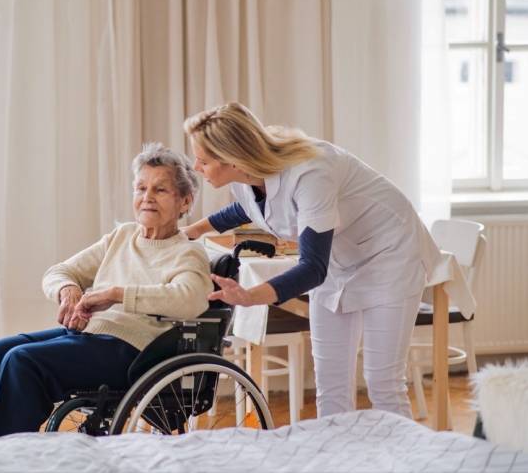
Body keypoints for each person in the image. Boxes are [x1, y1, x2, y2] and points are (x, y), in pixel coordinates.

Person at [182, 102, 442, 420]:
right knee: (330, 384)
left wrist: (251, 296)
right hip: (339, 257)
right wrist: (193, 230)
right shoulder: (245, 174)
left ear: (234, 160)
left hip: (391, 254)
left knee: (383, 382)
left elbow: (312, 269)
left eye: (203, 161)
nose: (196, 167)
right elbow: (248, 207)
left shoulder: (311, 172)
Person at [0, 142, 213, 438]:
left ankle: (5, 461)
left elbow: (189, 300)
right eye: (141, 188)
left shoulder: (188, 253)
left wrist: (115, 294)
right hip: (91, 336)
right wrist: (67, 290)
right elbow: (58, 272)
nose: (147, 198)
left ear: (185, 202)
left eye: (160, 190)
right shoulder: (123, 236)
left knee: (22, 362)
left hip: (136, 352)